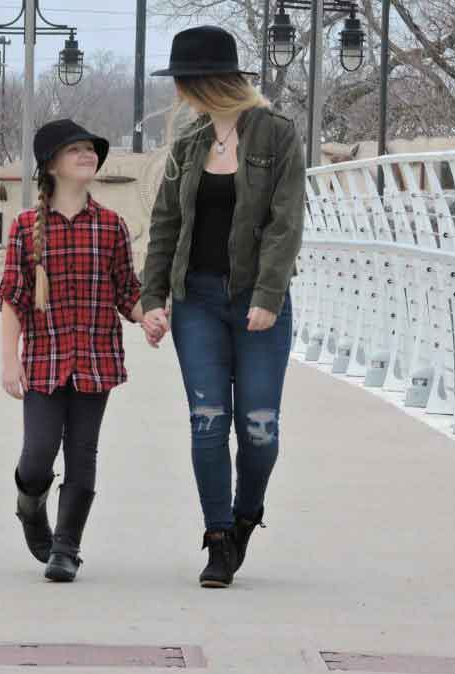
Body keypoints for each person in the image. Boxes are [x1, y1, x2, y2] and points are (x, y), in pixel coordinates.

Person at [141, 26, 306, 588]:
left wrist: (268, 295)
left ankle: (245, 515)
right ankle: (217, 538)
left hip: (258, 304)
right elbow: (166, 223)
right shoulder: (190, 142)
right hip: (197, 303)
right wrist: (152, 299)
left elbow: (286, 223)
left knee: (259, 429)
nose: (179, 92)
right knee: (208, 422)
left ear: (207, 82)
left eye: (184, 81)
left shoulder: (277, 134)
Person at [0, 119, 159, 582]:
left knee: (83, 453)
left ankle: (66, 548)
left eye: (91, 149)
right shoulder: (25, 227)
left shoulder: (111, 226)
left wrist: (147, 316)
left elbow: (126, 291)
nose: (88, 155)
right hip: (44, 361)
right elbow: (13, 298)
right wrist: (9, 361)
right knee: (38, 454)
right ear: (51, 165)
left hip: (95, 359)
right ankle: (31, 507)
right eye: (76, 150)